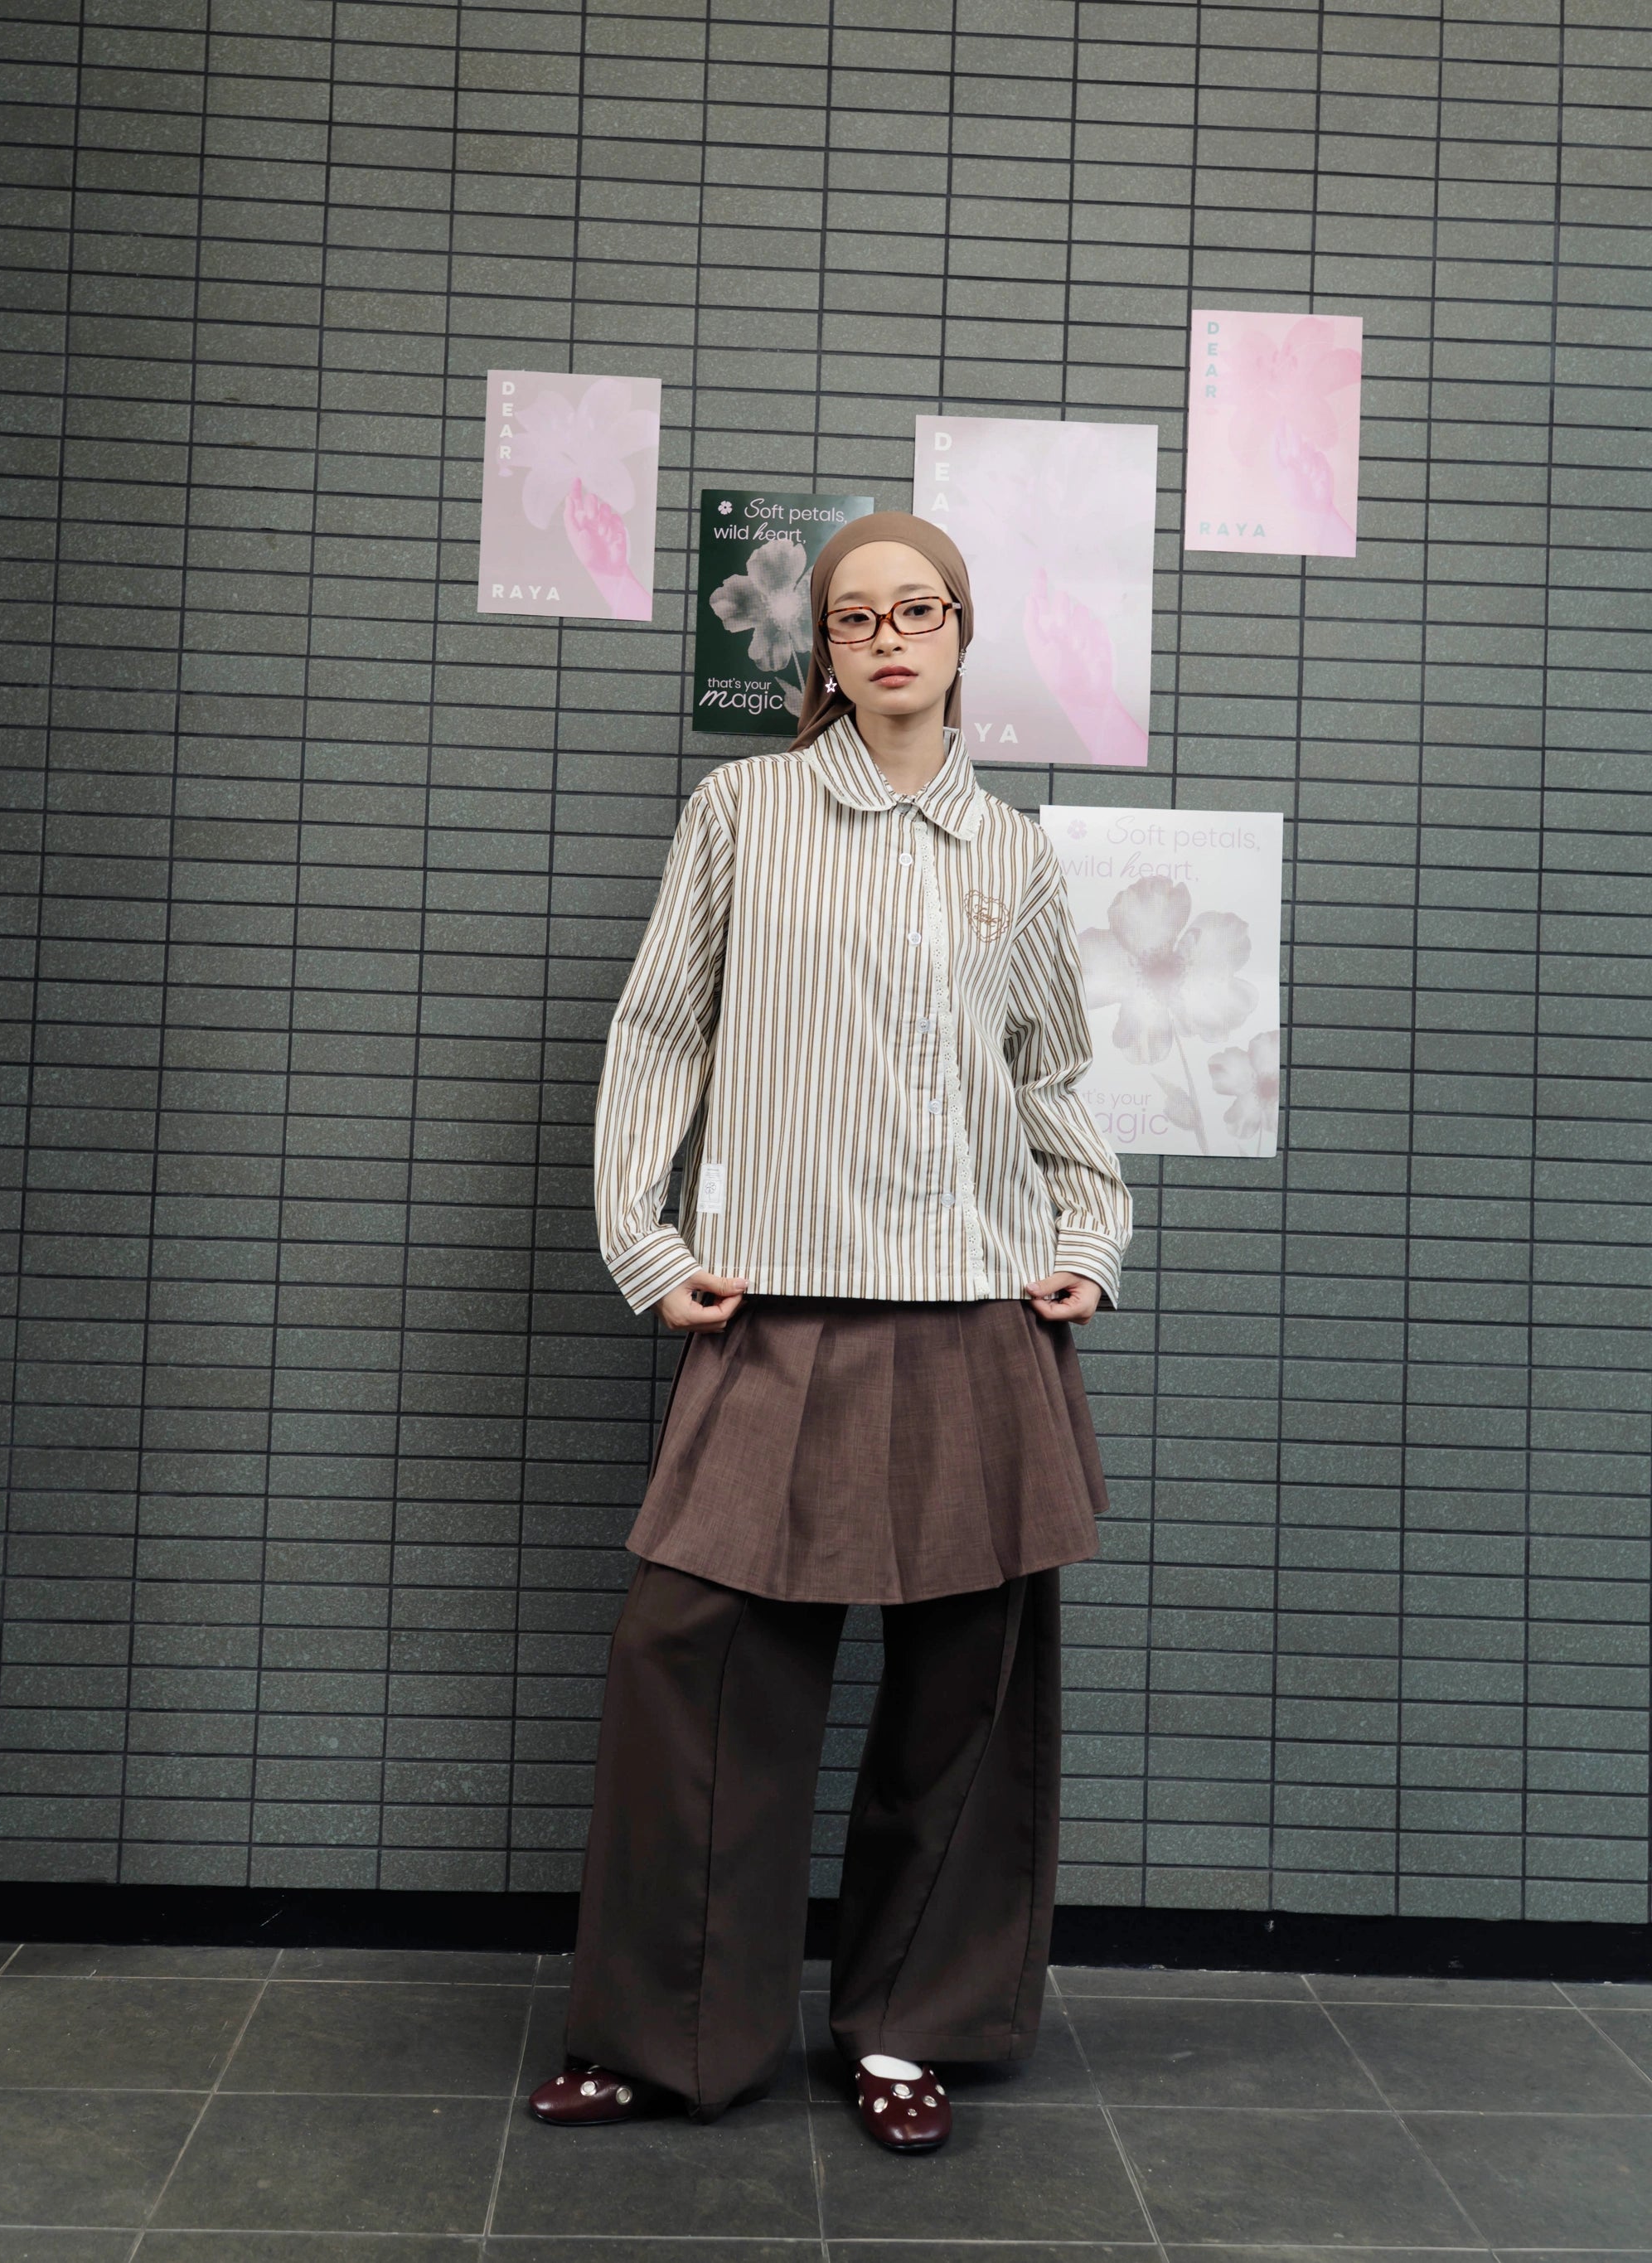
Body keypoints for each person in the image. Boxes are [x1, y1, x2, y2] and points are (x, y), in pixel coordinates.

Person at [528, 511, 1132, 2152]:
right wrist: (645, 1248)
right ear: (825, 647)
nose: (886, 637)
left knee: (963, 1701)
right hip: (775, 1304)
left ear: (958, 633)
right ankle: (668, 2040)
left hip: (975, 1317)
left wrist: (1090, 1235)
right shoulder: (743, 810)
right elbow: (655, 1031)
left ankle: (903, 2032)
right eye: (854, 615)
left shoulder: (1012, 850)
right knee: (696, 1663)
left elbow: (1050, 1080)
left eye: (915, 610)